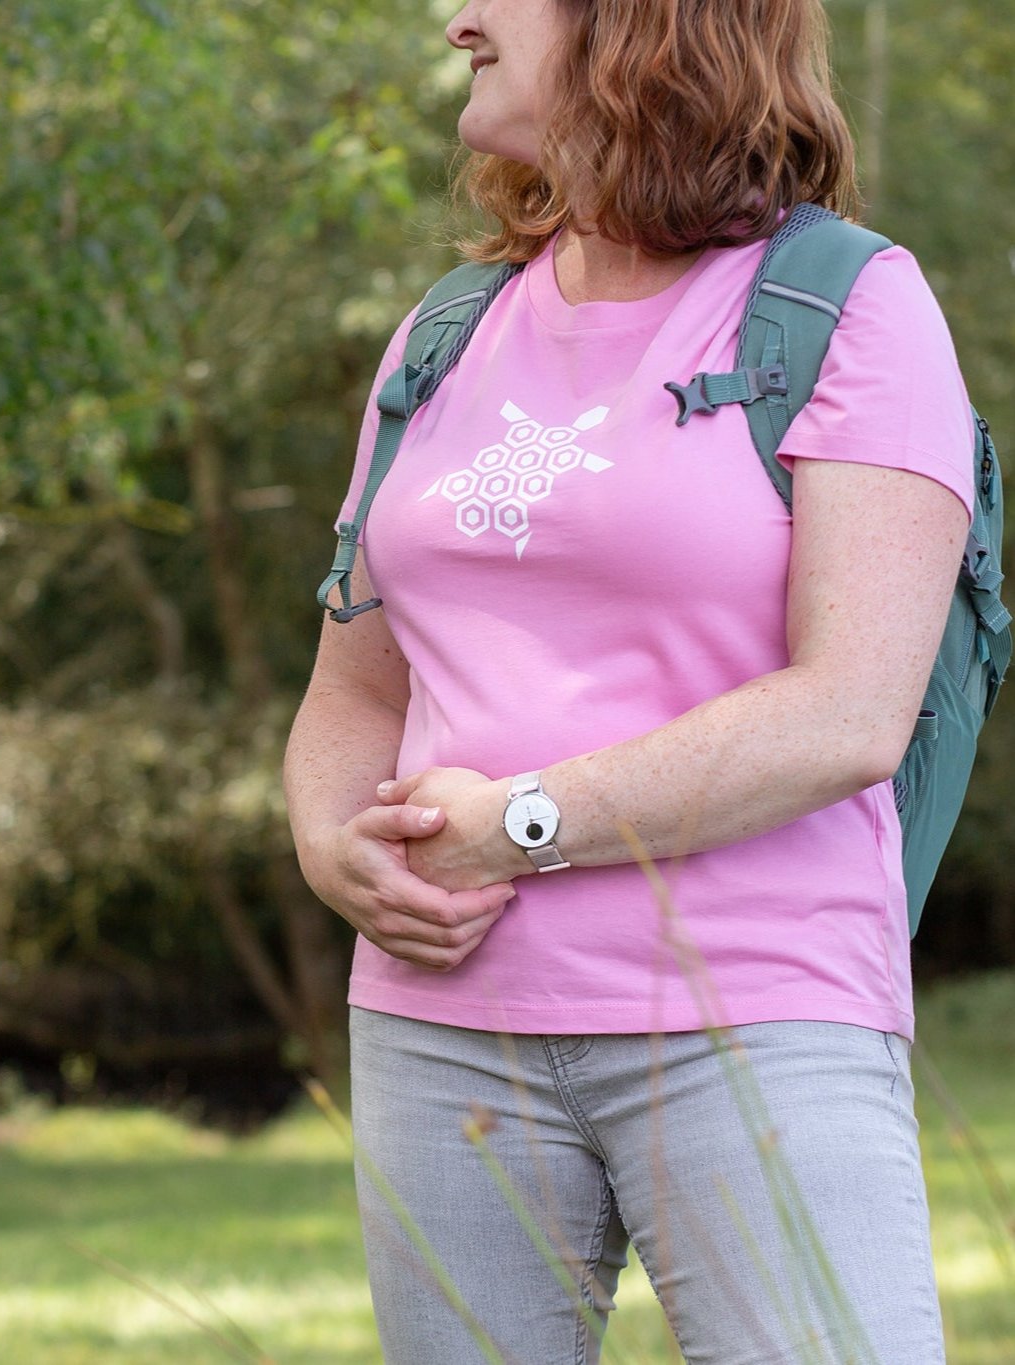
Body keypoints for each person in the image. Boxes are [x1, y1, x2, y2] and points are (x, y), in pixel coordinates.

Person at [285, 0, 971, 1361]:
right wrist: (325, 839)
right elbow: (356, 687)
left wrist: (519, 825)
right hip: (437, 1026)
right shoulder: (446, 328)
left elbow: (846, 712)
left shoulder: (848, 304)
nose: (453, 18)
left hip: (749, 1013)